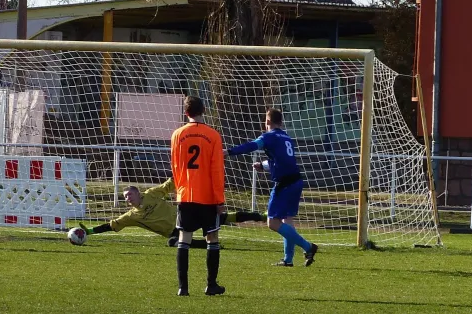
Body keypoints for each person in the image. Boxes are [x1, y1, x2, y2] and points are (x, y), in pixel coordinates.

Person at [224, 108, 318, 267]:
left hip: (284, 184)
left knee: (272, 223)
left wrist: (229, 151)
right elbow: (281, 160)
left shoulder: (268, 136)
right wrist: (263, 165)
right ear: (281, 122)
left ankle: (308, 247)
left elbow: (252, 145)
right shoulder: (286, 137)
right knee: (287, 219)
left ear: (267, 122)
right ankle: (288, 260)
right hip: (296, 181)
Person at [78, 178, 266, 249]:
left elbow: (169, 185)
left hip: (185, 217)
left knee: (225, 217)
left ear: (137, 192)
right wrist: (90, 231)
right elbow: (112, 225)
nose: (128, 198)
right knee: (173, 242)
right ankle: (209, 245)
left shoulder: (151, 194)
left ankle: (262, 216)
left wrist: (183, 174)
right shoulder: (131, 216)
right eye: (125, 197)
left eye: (130, 194)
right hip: (175, 232)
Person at [171, 96, 226, 296]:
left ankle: (182, 288)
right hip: (208, 197)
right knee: (212, 238)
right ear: (204, 110)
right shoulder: (213, 135)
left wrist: (180, 189)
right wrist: (220, 200)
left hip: (186, 194)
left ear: (186, 113)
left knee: (184, 238)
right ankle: (211, 285)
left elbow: (175, 166)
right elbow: (217, 170)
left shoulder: (177, 134)